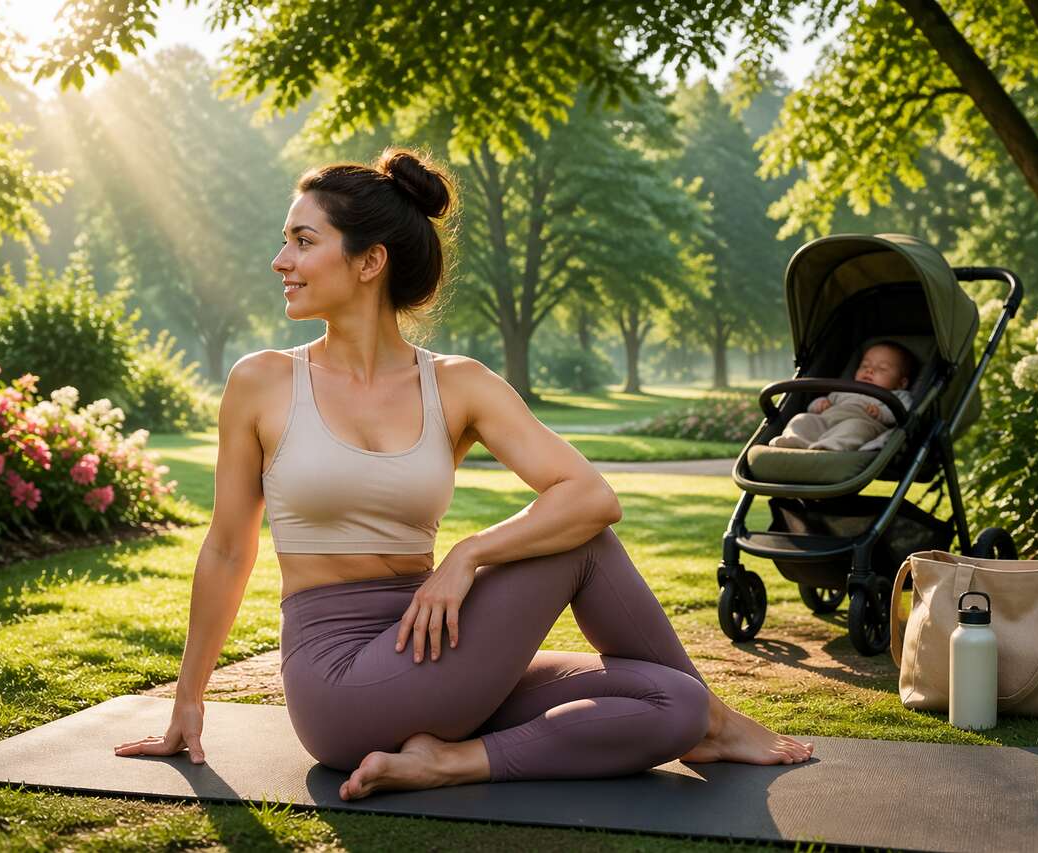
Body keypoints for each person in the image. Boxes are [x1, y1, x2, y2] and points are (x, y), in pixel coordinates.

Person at [112, 148, 814, 801]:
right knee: (576, 541)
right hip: (341, 683)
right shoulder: (262, 382)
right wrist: (187, 700)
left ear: (369, 262)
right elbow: (231, 548)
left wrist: (469, 555)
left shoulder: (457, 384)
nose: (279, 260)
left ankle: (455, 759)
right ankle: (719, 727)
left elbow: (593, 495)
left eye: (302, 241)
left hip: (439, 648)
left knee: (673, 701)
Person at [768, 342, 916, 451]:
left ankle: (828, 448)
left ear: (901, 383)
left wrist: (882, 414)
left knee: (854, 427)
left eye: (882, 369)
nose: (870, 370)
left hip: (865, 424)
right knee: (802, 419)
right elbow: (822, 404)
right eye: (865, 366)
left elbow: (903, 414)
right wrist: (820, 404)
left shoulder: (898, 395)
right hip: (827, 422)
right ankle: (794, 441)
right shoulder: (845, 389)